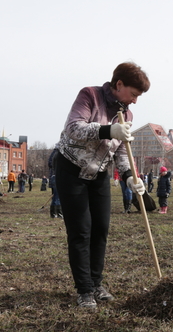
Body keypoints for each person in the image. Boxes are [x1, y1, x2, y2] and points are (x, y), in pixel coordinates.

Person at [53, 61, 149, 310]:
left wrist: (130, 176)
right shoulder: (90, 95)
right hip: (71, 169)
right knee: (81, 231)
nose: (136, 101)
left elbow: (122, 150)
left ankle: (96, 283)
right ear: (119, 84)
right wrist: (108, 129)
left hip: (99, 174)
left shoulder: (127, 114)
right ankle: (84, 290)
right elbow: (73, 128)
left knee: (101, 229)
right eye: (134, 94)